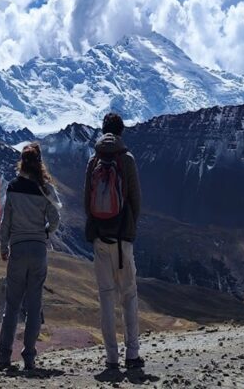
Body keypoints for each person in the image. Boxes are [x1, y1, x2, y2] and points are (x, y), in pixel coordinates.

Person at [84, 112, 144, 370]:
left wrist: (98, 225)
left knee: (106, 298)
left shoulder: (93, 160)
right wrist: (129, 225)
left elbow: (87, 201)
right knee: (128, 296)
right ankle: (132, 354)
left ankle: (111, 358)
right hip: (123, 240)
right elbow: (135, 199)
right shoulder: (127, 159)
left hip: (100, 238)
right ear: (121, 132)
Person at [0, 142, 61, 371]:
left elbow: (6, 222)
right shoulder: (46, 188)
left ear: (22, 163)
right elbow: (55, 219)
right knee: (34, 306)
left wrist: (4, 246)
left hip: (18, 249)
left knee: (12, 305)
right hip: (38, 250)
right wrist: (45, 232)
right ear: (39, 163)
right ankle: (29, 357)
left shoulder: (12, 187)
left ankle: (3, 357)